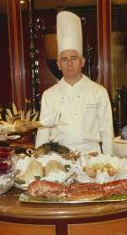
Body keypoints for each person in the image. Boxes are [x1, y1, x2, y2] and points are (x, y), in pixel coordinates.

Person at [35, 11, 114, 155]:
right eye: (64, 59)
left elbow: (107, 131)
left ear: (82, 61)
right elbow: (43, 133)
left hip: (92, 157)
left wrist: (110, 163)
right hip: (59, 158)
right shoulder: (49, 95)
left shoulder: (99, 92)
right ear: (58, 64)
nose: (69, 64)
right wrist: (38, 161)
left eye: (74, 58)